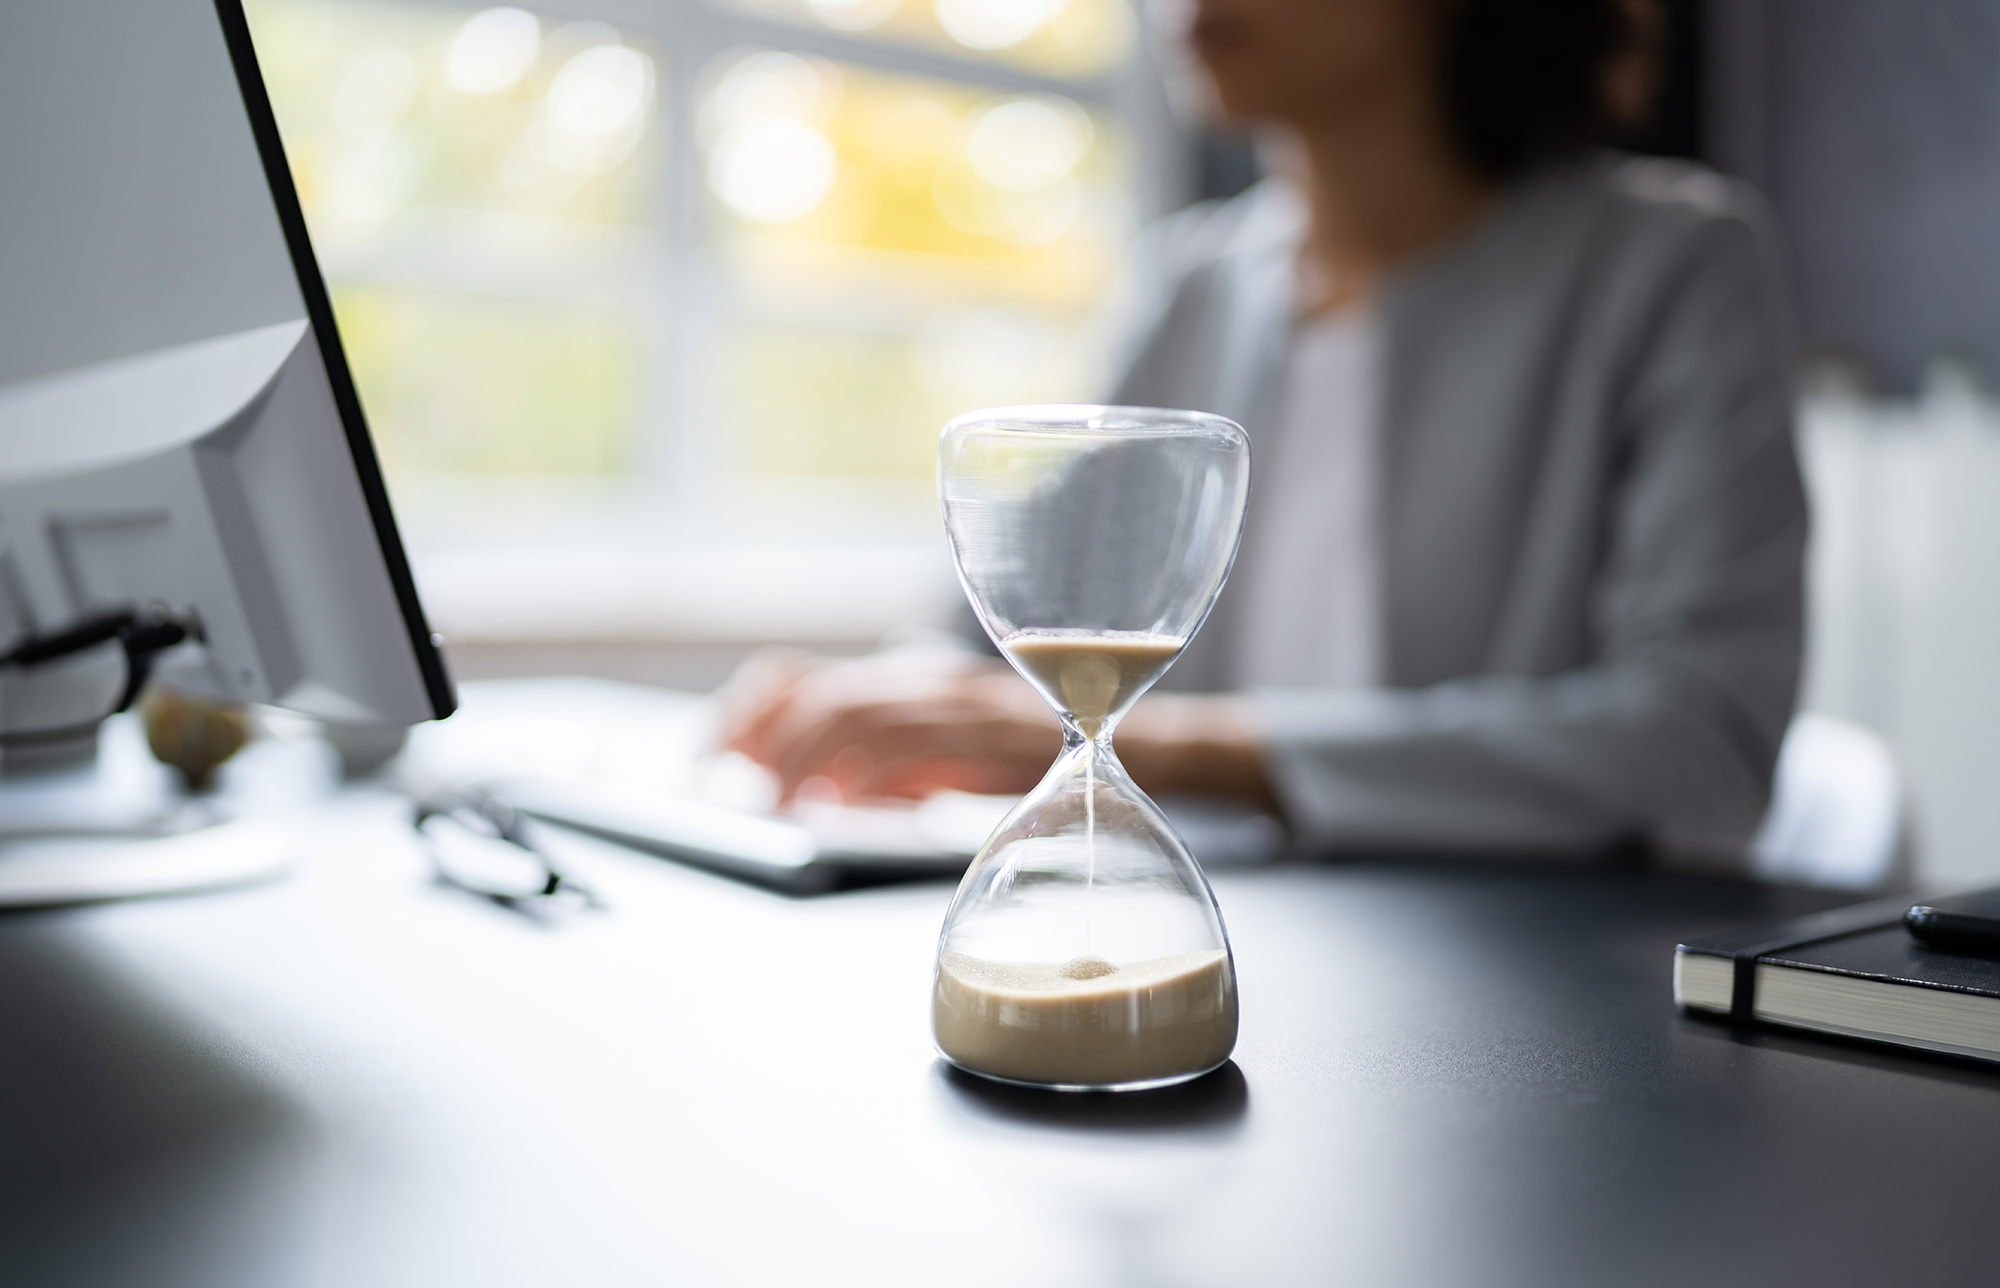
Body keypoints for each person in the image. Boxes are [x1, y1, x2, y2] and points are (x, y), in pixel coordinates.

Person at [722, 0, 1806, 873]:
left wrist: (1163, 750)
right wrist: (851, 710)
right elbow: (977, 648)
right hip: (1225, 949)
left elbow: (1698, 743)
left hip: (1540, 1007)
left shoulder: (1670, 264)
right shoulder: (1187, 286)